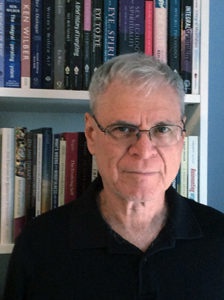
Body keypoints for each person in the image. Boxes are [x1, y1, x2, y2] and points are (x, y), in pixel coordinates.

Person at [3, 53, 224, 300]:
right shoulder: (38, 245)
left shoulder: (220, 238)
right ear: (91, 134)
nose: (143, 151)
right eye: (123, 129)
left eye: (162, 129)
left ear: (182, 136)